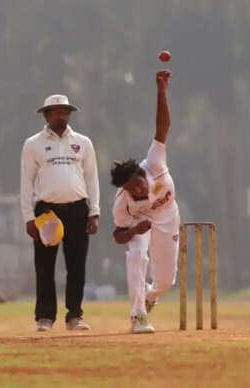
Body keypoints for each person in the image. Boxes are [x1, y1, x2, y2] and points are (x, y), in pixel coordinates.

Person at [20, 94, 100, 332]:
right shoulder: (33, 144)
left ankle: (74, 315)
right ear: (46, 115)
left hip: (77, 208)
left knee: (77, 266)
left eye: (65, 111)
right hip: (47, 211)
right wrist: (28, 217)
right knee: (45, 266)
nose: (61, 115)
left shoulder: (83, 142)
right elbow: (26, 182)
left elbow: (92, 178)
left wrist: (94, 212)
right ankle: (45, 317)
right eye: (55, 111)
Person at [110, 70, 180, 334]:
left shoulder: (154, 162)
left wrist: (161, 91)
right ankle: (137, 316)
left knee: (165, 281)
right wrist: (133, 231)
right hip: (140, 224)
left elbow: (163, 127)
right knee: (137, 255)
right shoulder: (123, 201)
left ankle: (150, 297)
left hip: (168, 218)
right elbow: (118, 235)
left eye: (137, 184)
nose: (136, 191)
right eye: (129, 189)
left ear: (142, 173)